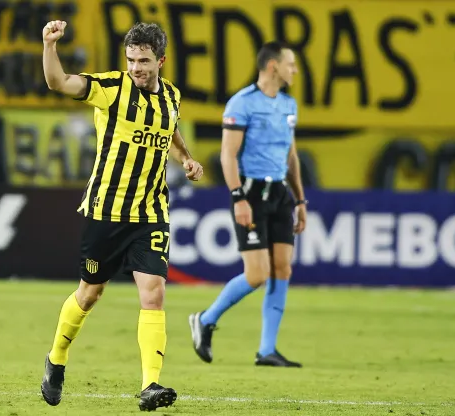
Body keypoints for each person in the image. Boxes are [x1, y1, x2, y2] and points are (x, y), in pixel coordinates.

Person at [40, 20, 203, 411]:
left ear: (161, 60)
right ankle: (56, 358)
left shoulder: (172, 98)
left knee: (154, 294)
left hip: (149, 212)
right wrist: (49, 46)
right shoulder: (111, 88)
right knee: (89, 294)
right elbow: (58, 83)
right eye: (131, 59)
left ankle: (150, 385)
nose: (136, 67)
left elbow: (170, 132)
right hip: (105, 212)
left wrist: (186, 158)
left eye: (144, 60)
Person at [188, 41, 306, 368]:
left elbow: (290, 155)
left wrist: (300, 199)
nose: (295, 70)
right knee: (257, 274)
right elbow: (228, 154)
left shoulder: (288, 105)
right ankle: (206, 319)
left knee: (282, 268)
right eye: (290, 64)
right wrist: (237, 196)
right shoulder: (242, 103)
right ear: (272, 66)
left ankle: (267, 349)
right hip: (251, 194)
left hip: (280, 194)